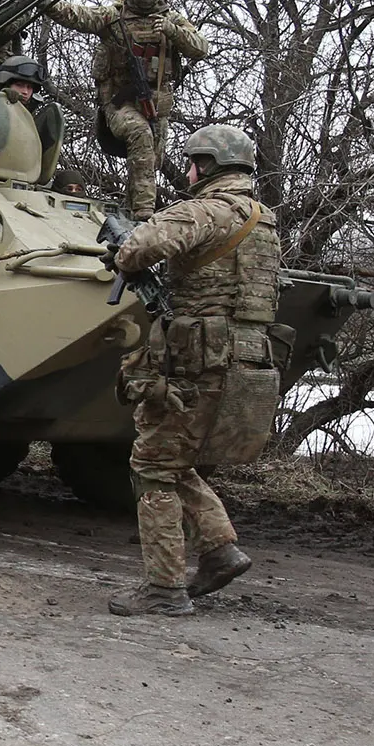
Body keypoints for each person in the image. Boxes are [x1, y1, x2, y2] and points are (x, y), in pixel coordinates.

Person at [105, 124, 281, 617]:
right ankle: (220, 549)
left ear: (206, 166)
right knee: (172, 457)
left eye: (190, 163)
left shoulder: (207, 209)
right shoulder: (263, 220)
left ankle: (163, 588)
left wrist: (127, 246)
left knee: (152, 465)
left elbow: (137, 249)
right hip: (243, 357)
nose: (186, 171)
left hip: (198, 360)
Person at [46, 0, 209, 218]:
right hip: (120, 104)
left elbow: (201, 47)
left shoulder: (171, 19)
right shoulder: (113, 16)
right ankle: (145, 213)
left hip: (157, 107)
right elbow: (78, 16)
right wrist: (46, 2)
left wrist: (172, 31)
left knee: (148, 163)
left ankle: (131, 215)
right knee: (140, 134)